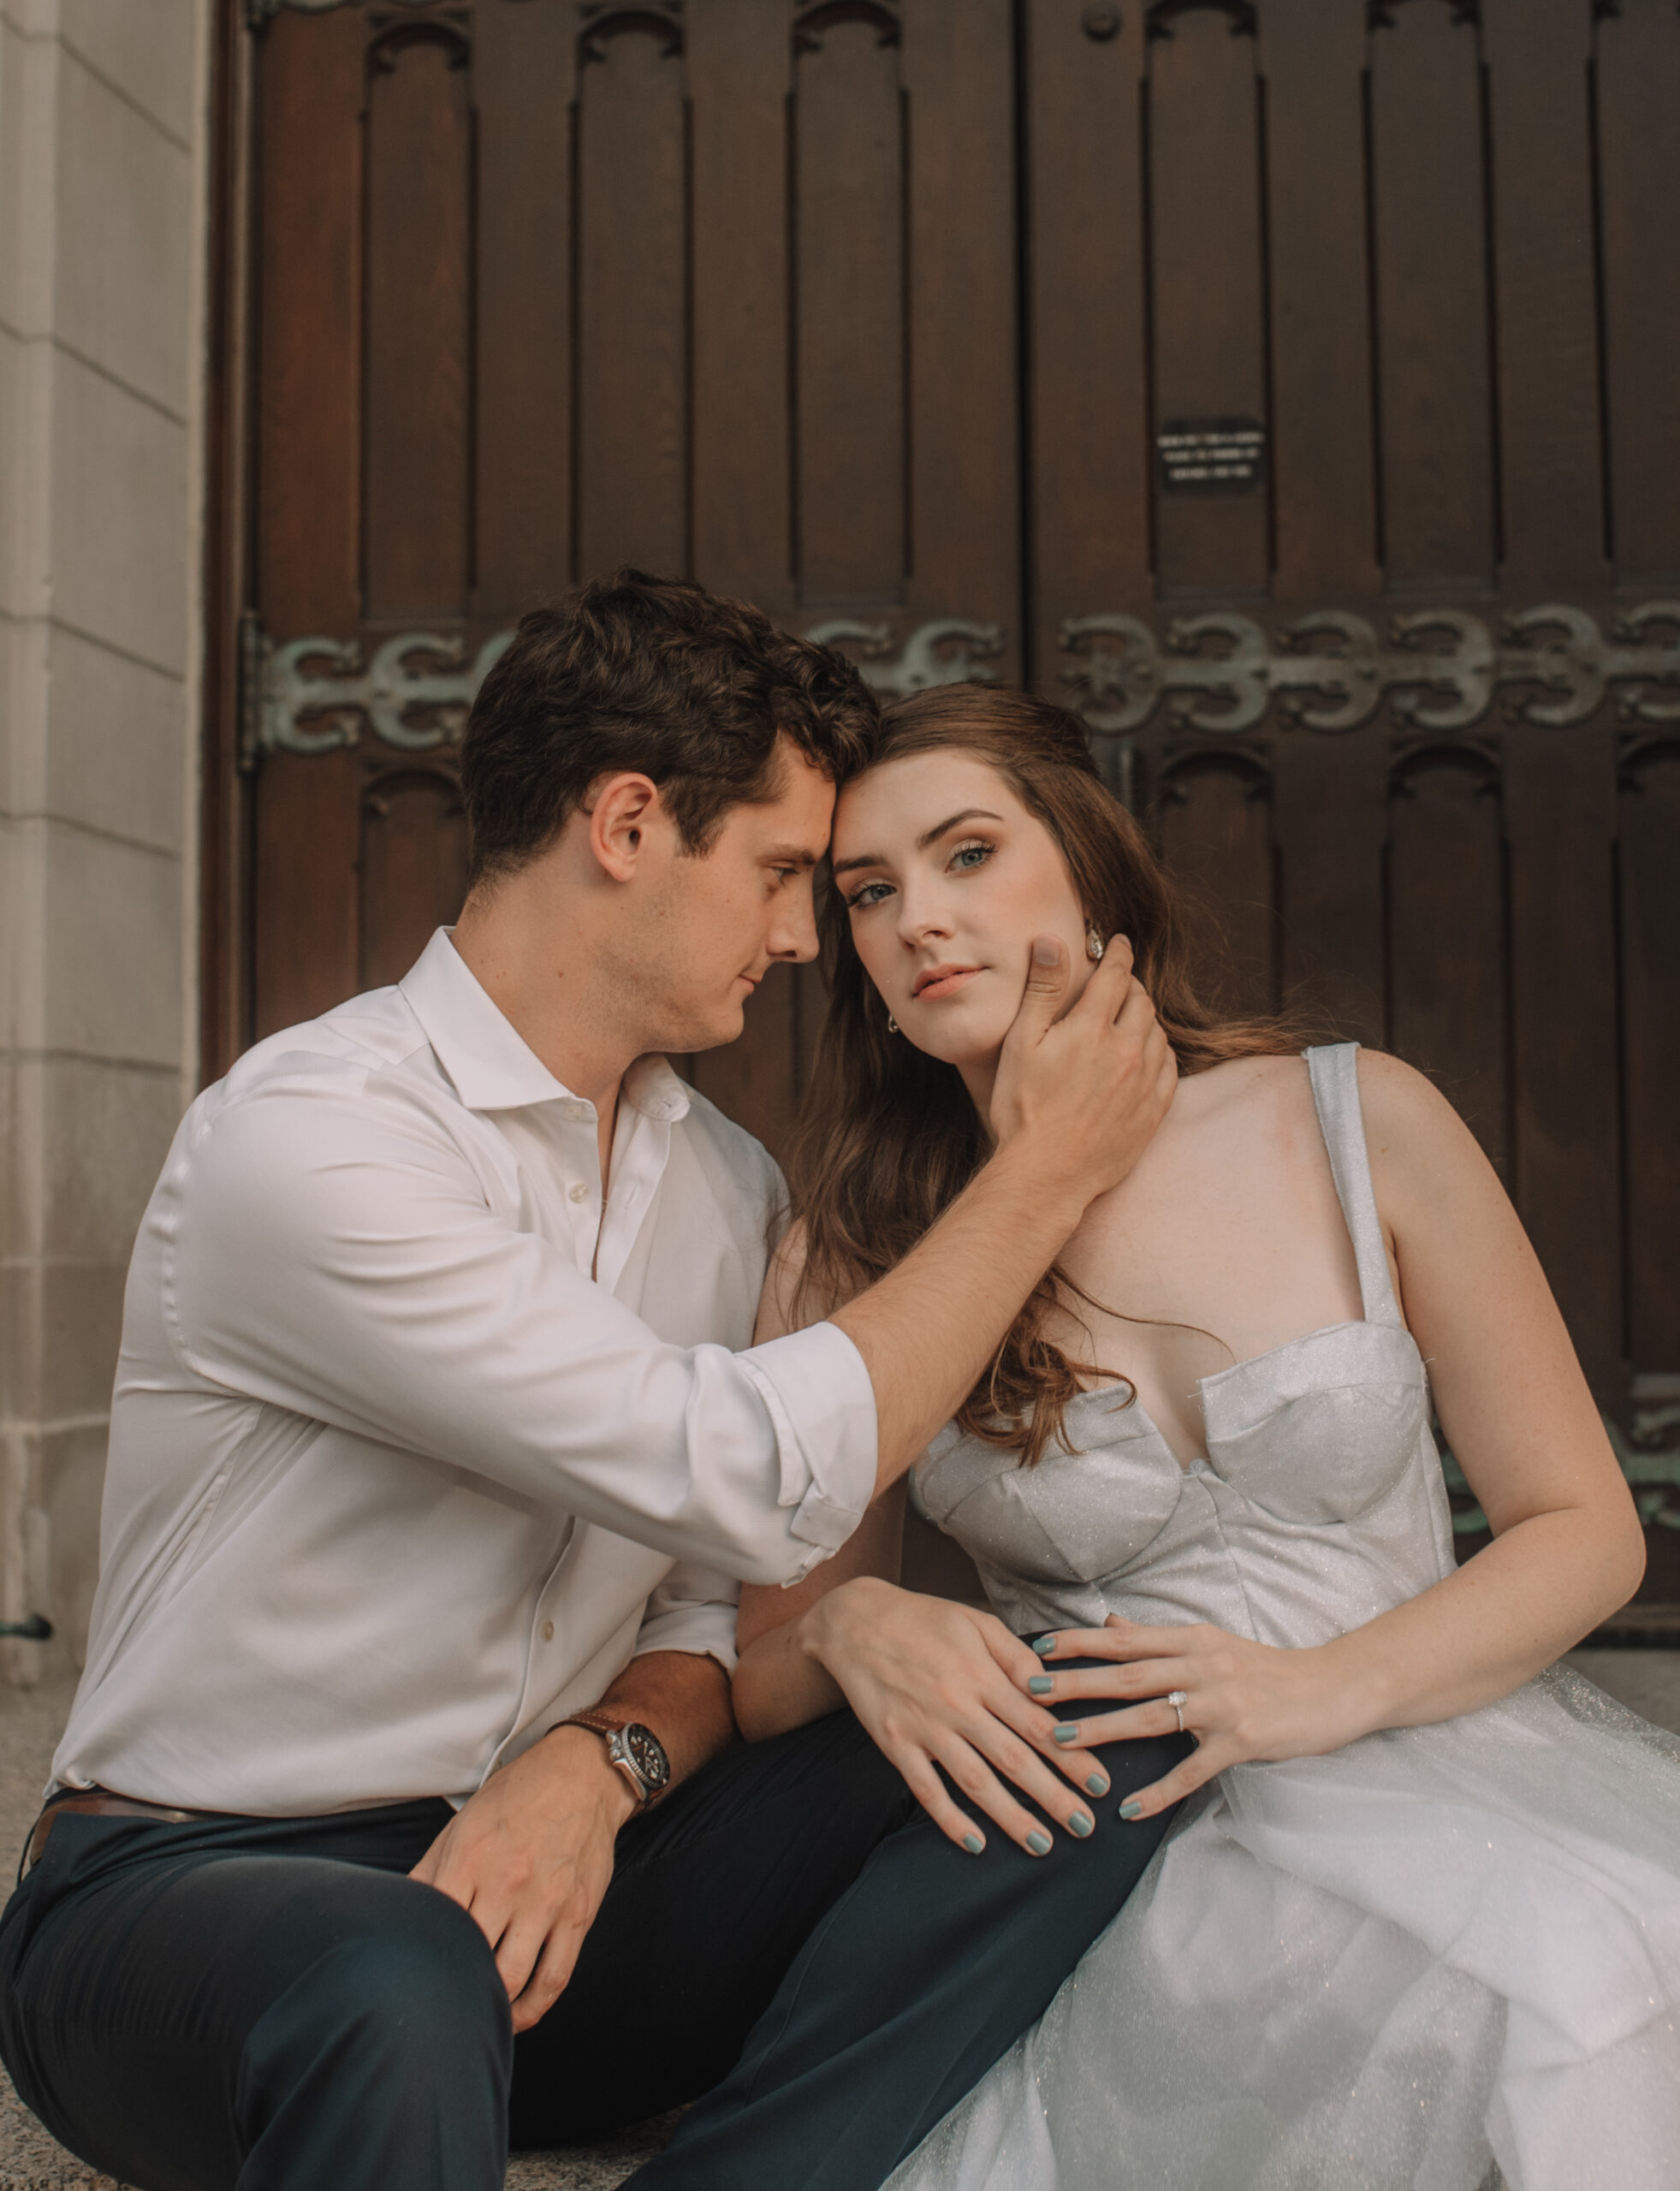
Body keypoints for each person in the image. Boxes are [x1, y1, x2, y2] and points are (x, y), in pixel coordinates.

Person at [0, 576, 1187, 2191]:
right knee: (392, 1969)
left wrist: (599, 1767)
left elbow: (708, 1614)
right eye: (782, 873)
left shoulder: (730, 1185)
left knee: (1081, 1735)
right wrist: (1040, 1180)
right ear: (628, 823)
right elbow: (746, 1471)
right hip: (192, 1911)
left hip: (562, 1903)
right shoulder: (316, 1136)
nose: (800, 934)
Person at [727, 682, 1680, 2191]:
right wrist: (849, 1621)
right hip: (1137, 1844)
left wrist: (1317, 1691)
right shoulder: (856, 1247)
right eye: (868, 891)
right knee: (1550, 1981)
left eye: (968, 854)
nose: (918, 918)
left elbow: (1588, 1527)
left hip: (1439, 1741)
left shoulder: (1358, 1117)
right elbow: (757, 1669)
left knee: (1617, 1947)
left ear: (1088, 866)